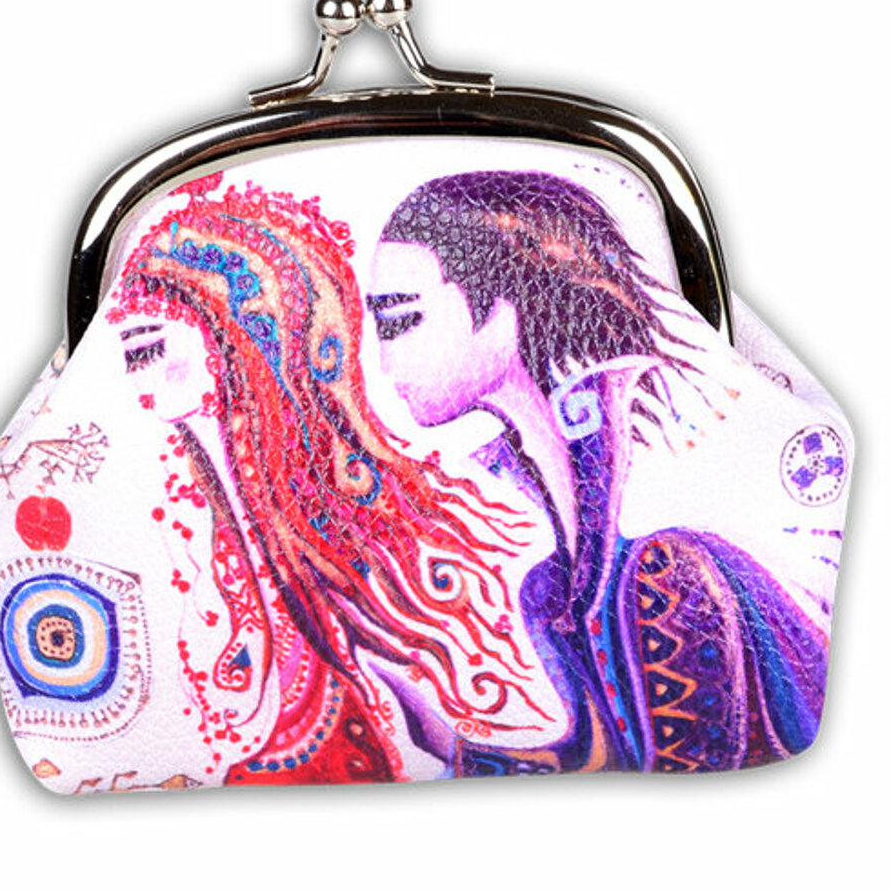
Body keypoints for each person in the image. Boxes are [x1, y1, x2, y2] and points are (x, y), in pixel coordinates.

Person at [108, 175, 563, 785]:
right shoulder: (221, 549)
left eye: (144, 351)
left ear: (235, 334)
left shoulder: (348, 573)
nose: (135, 383)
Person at [369, 170, 828, 773]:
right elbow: (602, 760)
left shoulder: (665, 576)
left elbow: (689, 776)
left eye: (400, 321)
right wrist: (442, 742)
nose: (384, 363)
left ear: (504, 310)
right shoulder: (552, 589)